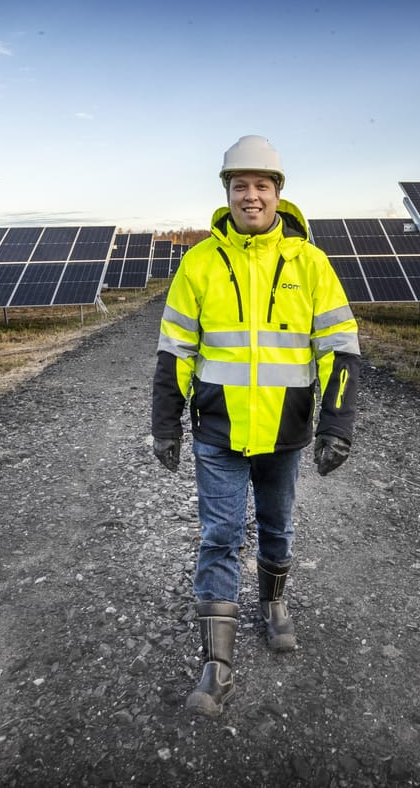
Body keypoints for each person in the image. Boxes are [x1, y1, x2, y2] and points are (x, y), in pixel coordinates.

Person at [151, 135, 360, 717]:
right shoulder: (199, 262)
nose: (251, 196)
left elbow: (339, 350)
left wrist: (336, 424)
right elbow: (174, 352)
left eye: (261, 186)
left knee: (278, 528)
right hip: (218, 434)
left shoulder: (311, 264)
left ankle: (274, 607)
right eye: (239, 185)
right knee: (219, 536)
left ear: (278, 194)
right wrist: (165, 422)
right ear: (227, 193)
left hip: (284, 434)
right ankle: (216, 668)